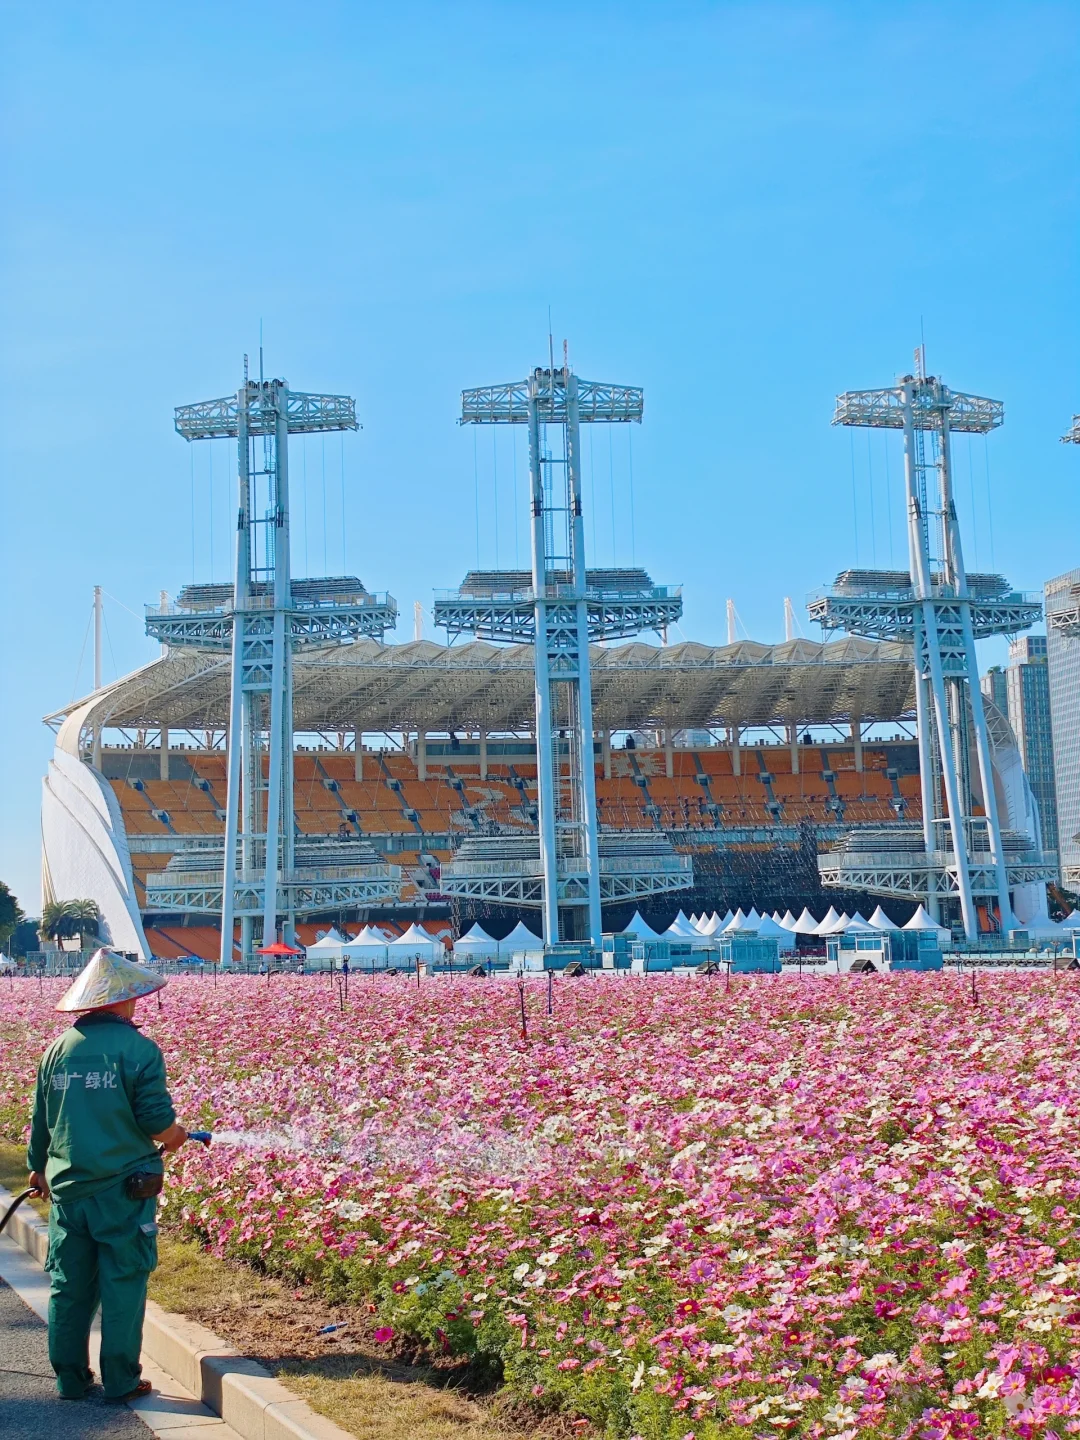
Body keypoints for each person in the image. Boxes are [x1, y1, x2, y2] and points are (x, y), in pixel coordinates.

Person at [26, 947, 193, 1403]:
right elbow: (156, 1122)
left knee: (69, 1285)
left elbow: (41, 1121)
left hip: (67, 1190)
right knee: (123, 1280)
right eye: (133, 997)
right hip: (122, 1190)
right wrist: (175, 1135)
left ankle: (70, 1379)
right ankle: (120, 1380)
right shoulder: (138, 1049)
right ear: (120, 1001)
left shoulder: (56, 1051)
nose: (136, 1003)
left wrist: (36, 1169)